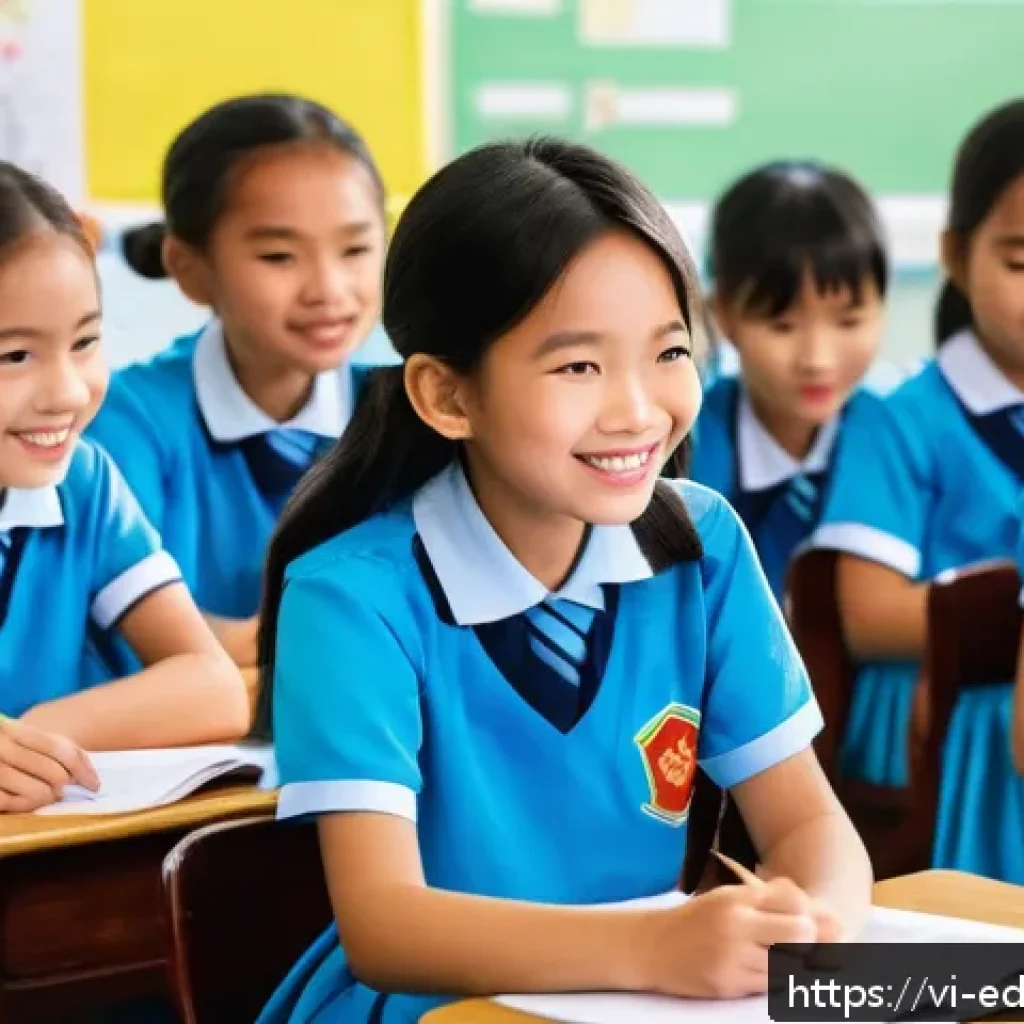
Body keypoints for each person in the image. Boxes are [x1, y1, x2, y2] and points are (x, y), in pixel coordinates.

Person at [256, 137, 871, 1023]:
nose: (638, 410)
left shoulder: (702, 546)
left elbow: (810, 826)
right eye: (579, 366)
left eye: (669, 353)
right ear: (447, 395)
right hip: (437, 1007)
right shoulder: (350, 598)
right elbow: (384, 927)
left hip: (647, 999)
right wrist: (653, 949)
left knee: (975, 992)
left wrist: (813, 932)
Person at [86, 94, 386, 671]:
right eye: (279, 256)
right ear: (189, 270)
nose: (328, 289)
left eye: (355, 249)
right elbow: (118, 633)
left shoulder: (409, 412)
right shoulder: (123, 423)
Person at [815, 98, 1024, 881]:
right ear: (956, 254)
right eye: (1021, 264)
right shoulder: (900, 419)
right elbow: (868, 616)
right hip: (945, 712)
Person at [0, 160, 249, 813]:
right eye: (15, 356)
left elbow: (215, 690)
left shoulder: (83, 482)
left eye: (85, 342)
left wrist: (26, 736)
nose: (67, 393)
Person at [689, 161, 887, 604]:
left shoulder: (901, 439)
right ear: (724, 313)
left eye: (849, 321)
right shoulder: (685, 449)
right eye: (782, 326)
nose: (817, 360)